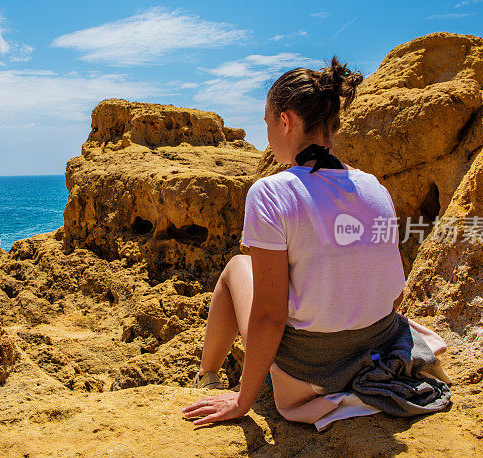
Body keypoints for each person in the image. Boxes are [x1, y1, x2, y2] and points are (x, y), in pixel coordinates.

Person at [181, 56, 452, 428]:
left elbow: (269, 316)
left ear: (287, 120)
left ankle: (207, 377)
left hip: (313, 369)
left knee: (235, 269)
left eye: (268, 123)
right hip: (379, 345)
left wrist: (245, 399)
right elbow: (395, 293)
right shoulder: (374, 187)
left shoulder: (271, 193)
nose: (268, 135)